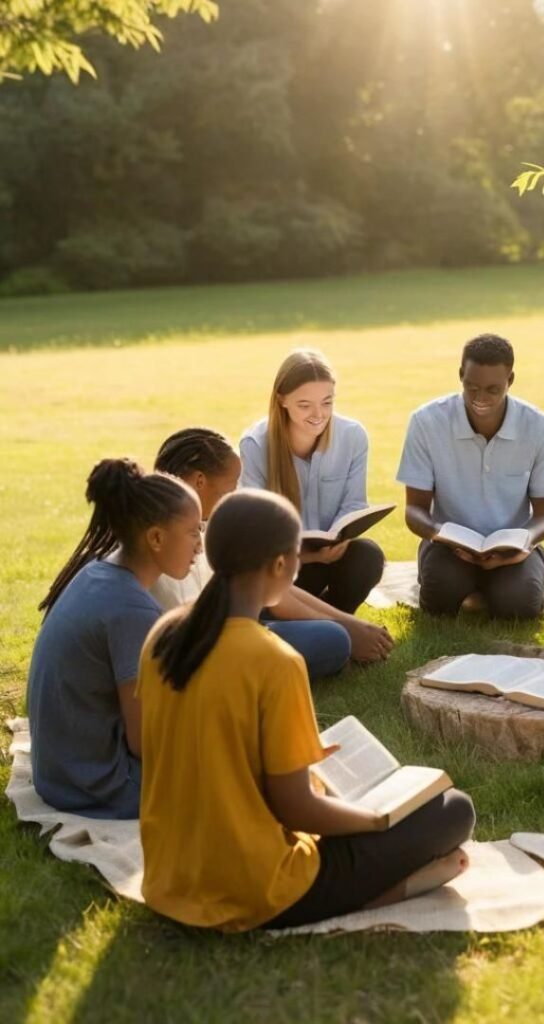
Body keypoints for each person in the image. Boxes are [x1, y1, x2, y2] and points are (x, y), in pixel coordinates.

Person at [138, 489, 475, 931]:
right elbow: (297, 811)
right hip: (255, 889)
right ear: (281, 566)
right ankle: (393, 891)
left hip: (169, 877)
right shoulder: (275, 661)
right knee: (453, 810)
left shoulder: (163, 635)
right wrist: (379, 820)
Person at [26, 458, 201, 818]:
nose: (200, 545)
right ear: (156, 538)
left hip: (59, 775)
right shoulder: (132, 610)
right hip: (102, 786)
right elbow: (145, 743)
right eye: (193, 532)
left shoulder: (98, 571)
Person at [152, 427, 393, 670]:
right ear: (200, 481)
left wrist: (350, 624)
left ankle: (349, 637)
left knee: (336, 624)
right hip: (218, 642)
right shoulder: (177, 536)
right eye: (231, 486)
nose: (235, 493)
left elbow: (271, 589)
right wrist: (347, 630)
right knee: (334, 639)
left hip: (237, 622)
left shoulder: (206, 523)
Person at [396, 333, 544, 617]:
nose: (480, 398)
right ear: (461, 375)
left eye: (493, 390)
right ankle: (466, 584)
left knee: (519, 606)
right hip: (448, 547)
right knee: (440, 598)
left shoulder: (540, 428)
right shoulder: (426, 422)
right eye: (471, 387)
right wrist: (440, 535)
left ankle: (521, 575)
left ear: (510, 380)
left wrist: (525, 543)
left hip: (513, 548)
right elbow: (414, 510)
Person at [240, 349, 386, 615]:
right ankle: (319, 620)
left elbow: (354, 503)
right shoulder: (255, 445)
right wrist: (309, 556)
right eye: (304, 405)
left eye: (327, 402)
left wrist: (337, 542)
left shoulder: (353, 437)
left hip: (332, 554)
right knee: (288, 577)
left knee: (368, 556)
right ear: (282, 399)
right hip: (282, 565)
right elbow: (256, 529)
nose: (318, 414)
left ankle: (335, 617)